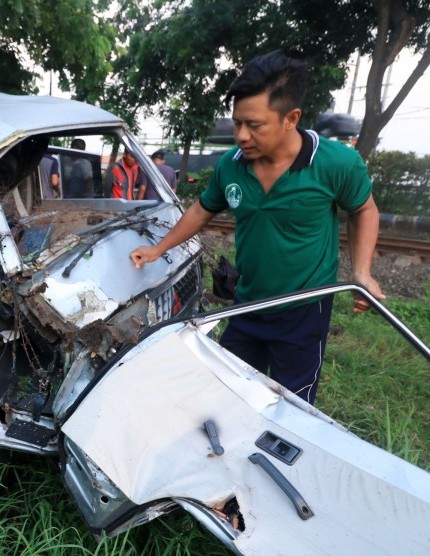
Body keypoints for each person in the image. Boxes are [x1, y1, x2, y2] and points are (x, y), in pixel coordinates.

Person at [129, 50, 385, 406]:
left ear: (290, 118)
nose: (242, 136)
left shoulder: (335, 163)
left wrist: (362, 271)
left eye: (255, 125)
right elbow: (203, 209)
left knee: (292, 404)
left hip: (303, 307)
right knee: (228, 389)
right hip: (246, 303)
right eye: (237, 123)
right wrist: (159, 248)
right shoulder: (231, 167)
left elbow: (364, 210)